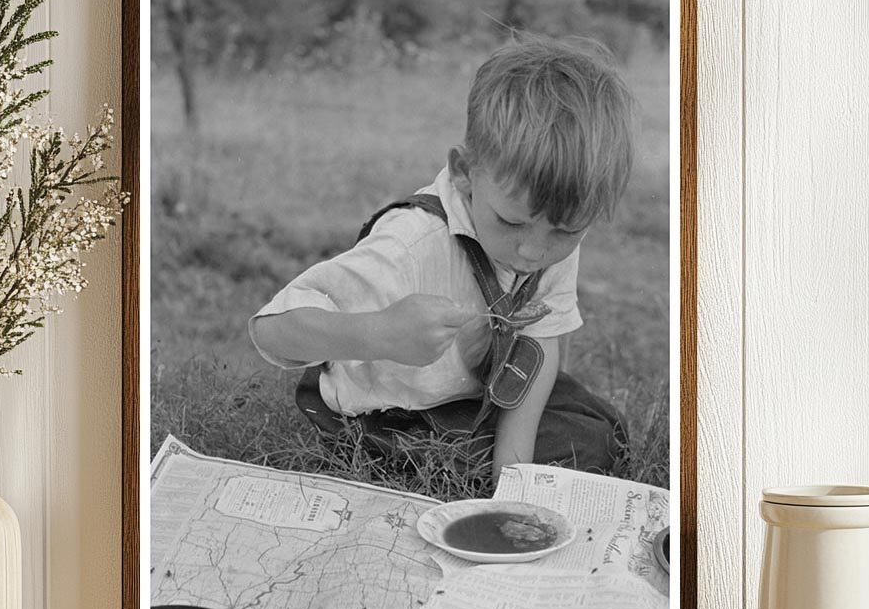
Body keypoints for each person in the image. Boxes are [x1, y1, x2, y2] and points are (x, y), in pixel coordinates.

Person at [249, 34, 635, 481]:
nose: (533, 251)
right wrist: (380, 333)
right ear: (464, 172)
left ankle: (488, 464)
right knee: (441, 455)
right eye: (510, 224)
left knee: (601, 433)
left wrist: (513, 471)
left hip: (477, 393)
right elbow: (269, 331)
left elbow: (540, 341)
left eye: (566, 231)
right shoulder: (410, 244)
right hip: (391, 410)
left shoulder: (545, 230)